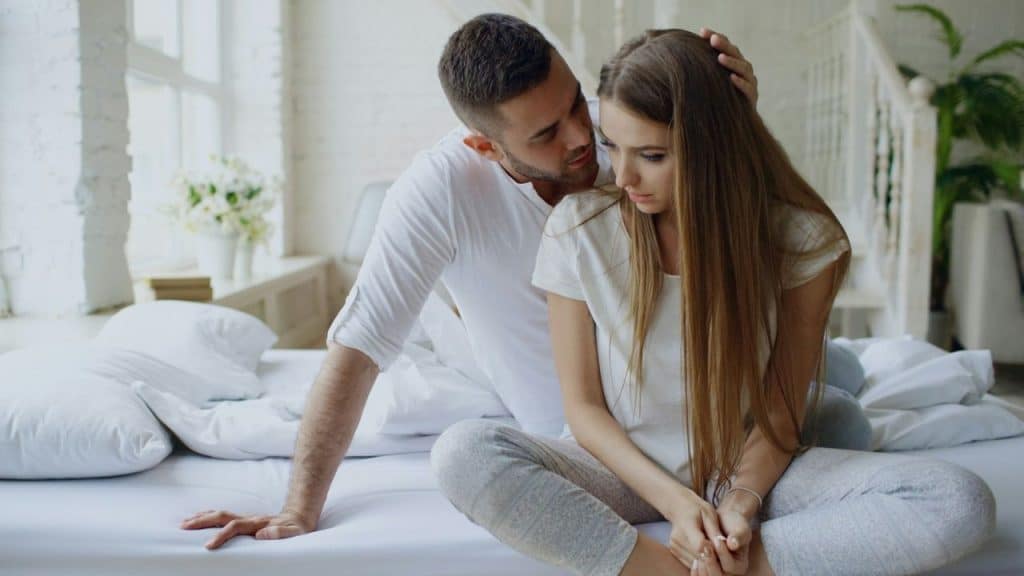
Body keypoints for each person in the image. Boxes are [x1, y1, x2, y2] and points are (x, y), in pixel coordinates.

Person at [181, 15, 862, 551]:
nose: (583, 140)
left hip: (711, 377)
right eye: (546, 133)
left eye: (575, 104)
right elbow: (359, 348)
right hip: (592, 425)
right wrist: (298, 509)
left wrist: (728, 117)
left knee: (839, 397)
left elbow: (748, 211)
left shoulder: (616, 130)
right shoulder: (440, 190)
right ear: (485, 146)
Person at [430, 29, 995, 576]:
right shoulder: (579, 228)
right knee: (463, 452)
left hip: (744, 468)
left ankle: (734, 566)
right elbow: (583, 412)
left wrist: (739, 507)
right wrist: (678, 505)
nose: (621, 175)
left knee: (956, 500)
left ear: (712, 146)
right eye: (612, 147)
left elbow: (779, 409)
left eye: (650, 155)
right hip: (622, 470)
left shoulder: (802, 239)